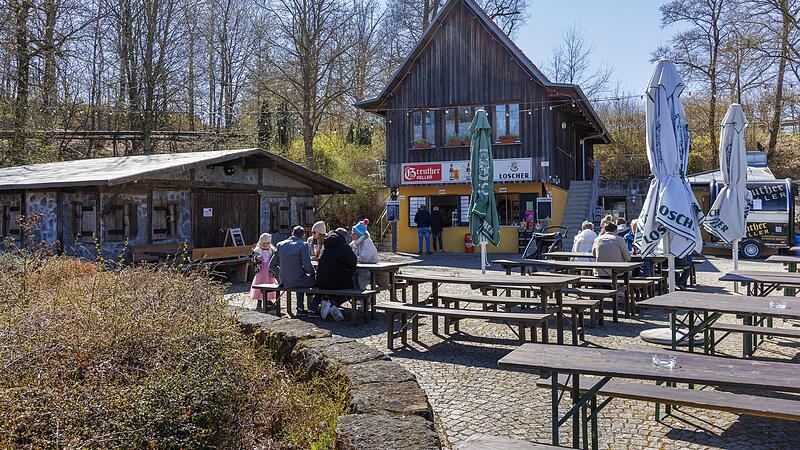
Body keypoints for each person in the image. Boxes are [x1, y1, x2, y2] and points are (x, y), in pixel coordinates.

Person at [269, 226, 316, 316]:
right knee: (313, 281)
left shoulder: (280, 244)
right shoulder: (303, 245)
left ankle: (300, 308)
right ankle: (312, 308)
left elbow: (271, 266)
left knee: (300, 277)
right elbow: (307, 266)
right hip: (298, 280)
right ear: (303, 235)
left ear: (292, 233)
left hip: (284, 281)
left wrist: (280, 275)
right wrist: (313, 274)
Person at [315, 231, 354, 321]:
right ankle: (333, 303)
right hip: (337, 282)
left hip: (321, 282)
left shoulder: (325, 247)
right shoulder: (344, 247)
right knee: (353, 285)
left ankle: (327, 303)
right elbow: (353, 262)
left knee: (333, 283)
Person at [249, 233, 276, 310]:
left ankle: (268, 301)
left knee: (270, 284)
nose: (265, 245)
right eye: (264, 243)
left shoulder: (271, 250)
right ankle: (259, 302)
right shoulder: (257, 250)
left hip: (269, 271)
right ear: (260, 243)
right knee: (259, 285)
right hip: (261, 271)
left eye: (267, 243)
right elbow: (252, 258)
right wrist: (257, 258)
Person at [351, 219, 379, 289]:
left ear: (359, 234)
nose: (352, 234)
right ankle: (357, 295)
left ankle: (362, 296)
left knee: (358, 276)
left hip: (370, 269)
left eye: (354, 233)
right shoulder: (356, 242)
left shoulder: (367, 243)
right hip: (361, 268)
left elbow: (363, 259)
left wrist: (351, 259)